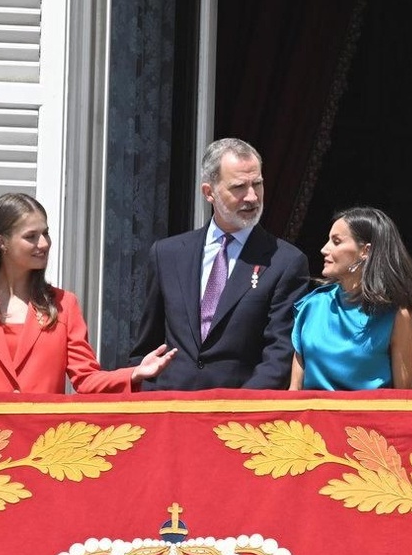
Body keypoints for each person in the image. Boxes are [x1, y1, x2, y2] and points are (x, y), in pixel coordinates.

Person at [0, 193, 175, 394]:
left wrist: (134, 373)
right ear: (2, 242)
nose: (44, 243)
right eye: (31, 236)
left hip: (42, 434)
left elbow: (86, 379)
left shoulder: (64, 305)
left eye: (46, 233)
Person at [131, 138, 310, 390]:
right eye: (239, 187)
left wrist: (233, 407)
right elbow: (147, 348)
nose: (252, 197)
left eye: (257, 184)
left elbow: (279, 356)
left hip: (238, 409)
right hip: (169, 405)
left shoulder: (285, 261)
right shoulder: (167, 255)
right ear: (209, 192)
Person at [290, 207, 412, 390]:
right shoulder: (311, 306)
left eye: (336, 242)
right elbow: (294, 390)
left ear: (365, 251)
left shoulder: (397, 316)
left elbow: (403, 397)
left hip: (367, 410)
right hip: (310, 409)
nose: (324, 249)